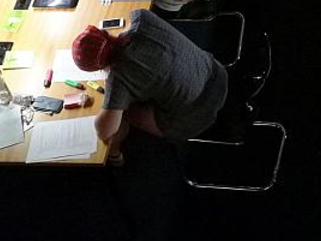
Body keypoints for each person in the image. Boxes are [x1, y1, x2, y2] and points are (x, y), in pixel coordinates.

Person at [72, 9, 228, 164]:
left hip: (195, 116)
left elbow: (104, 131)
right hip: (217, 74)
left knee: (122, 114)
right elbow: (129, 29)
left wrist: (110, 97)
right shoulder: (142, 19)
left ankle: (114, 154)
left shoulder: (119, 79)